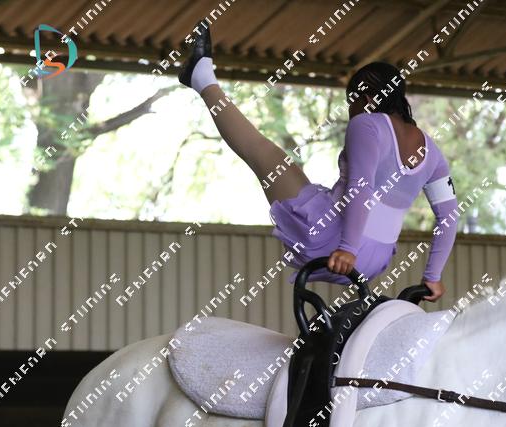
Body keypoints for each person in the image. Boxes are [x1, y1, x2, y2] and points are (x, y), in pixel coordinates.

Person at [179, 21, 458, 301]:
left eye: (351, 102)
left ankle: (202, 79)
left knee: (263, 152)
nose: (350, 111)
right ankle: (202, 77)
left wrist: (348, 248)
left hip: (335, 243)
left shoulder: (367, 125)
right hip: (375, 261)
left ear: (368, 99)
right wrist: (432, 276)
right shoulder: (433, 152)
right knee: (293, 174)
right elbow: (448, 216)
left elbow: (361, 188)